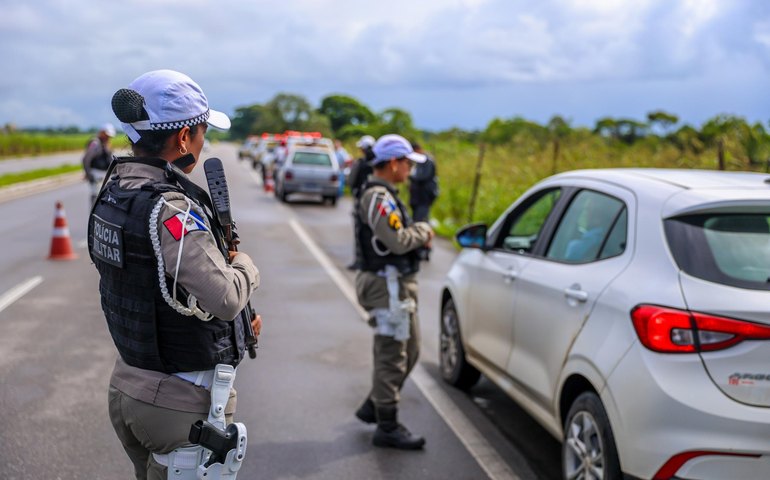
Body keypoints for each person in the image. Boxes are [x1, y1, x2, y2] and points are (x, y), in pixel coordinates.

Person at [88, 69, 261, 480]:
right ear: (184, 137)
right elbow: (226, 297)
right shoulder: (171, 210)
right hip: (177, 405)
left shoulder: (115, 193)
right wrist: (245, 267)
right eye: (202, 130)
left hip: (129, 387)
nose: (204, 141)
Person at [353, 134, 434, 450]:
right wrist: (424, 231)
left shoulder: (385, 195)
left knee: (410, 350)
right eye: (407, 164)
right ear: (393, 163)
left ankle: (375, 405)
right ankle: (386, 425)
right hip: (386, 283)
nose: (410, 170)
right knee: (392, 356)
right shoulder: (378, 197)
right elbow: (397, 241)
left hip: (395, 282)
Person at [346, 135, 376, 270]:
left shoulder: (360, 163)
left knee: (360, 231)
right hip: (377, 202)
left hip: (361, 201)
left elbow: (351, 181)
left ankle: (360, 261)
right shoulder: (379, 163)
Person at [407, 142, 438, 261]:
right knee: (417, 222)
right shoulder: (420, 162)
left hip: (424, 198)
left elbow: (422, 177)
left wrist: (408, 175)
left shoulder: (427, 161)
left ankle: (425, 249)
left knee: (422, 223)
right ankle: (420, 248)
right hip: (417, 198)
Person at [83, 122, 116, 205]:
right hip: (96, 174)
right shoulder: (95, 143)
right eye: (107, 135)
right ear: (102, 132)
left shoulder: (105, 143)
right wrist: (89, 174)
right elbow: (86, 159)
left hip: (104, 175)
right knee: (96, 198)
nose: (108, 137)